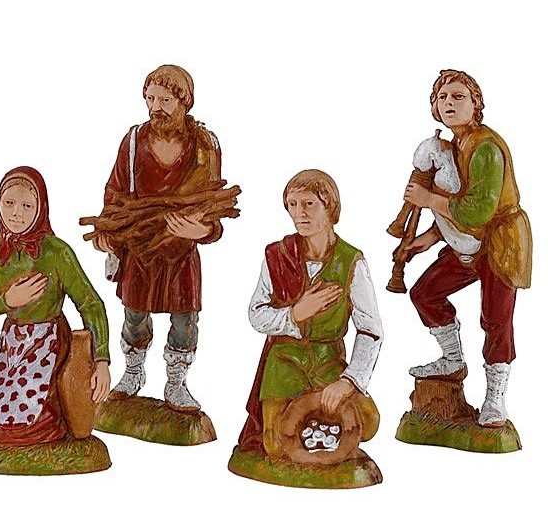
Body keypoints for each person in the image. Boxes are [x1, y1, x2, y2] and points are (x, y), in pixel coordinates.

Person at [401, 70, 531, 426]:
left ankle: (495, 398)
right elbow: (457, 200)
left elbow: (477, 210)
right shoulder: (452, 147)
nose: (449, 104)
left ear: (476, 105)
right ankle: (453, 360)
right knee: (425, 293)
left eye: (459, 97)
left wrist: (428, 199)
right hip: (465, 242)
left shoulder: (485, 148)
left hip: (499, 243)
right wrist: (431, 237)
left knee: (496, 319)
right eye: (442, 98)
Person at [96, 64, 224, 412]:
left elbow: (213, 206)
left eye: (165, 100)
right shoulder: (133, 142)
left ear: (184, 102)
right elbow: (115, 191)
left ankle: (177, 382)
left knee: (185, 320)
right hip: (140, 249)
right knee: (134, 315)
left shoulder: (205, 146)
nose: (156, 107)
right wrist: (110, 231)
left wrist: (202, 230)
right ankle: (133, 372)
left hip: (181, 253)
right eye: (151, 98)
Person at [0, 167, 110, 444]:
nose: (16, 213)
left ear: (41, 208)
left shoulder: (56, 252)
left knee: (31, 421)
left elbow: (90, 303)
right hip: (11, 345)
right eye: (9, 203)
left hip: (49, 343)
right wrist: (6, 301)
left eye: (27, 206)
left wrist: (101, 359)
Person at [237, 170, 382, 460]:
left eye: (309, 204)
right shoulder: (278, 256)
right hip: (285, 363)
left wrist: (348, 381)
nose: (299, 213)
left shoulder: (351, 261)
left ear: (329, 206)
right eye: (292, 204)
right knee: (276, 445)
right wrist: (295, 314)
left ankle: (321, 432)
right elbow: (256, 314)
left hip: (328, 362)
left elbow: (370, 330)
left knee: (368, 422)